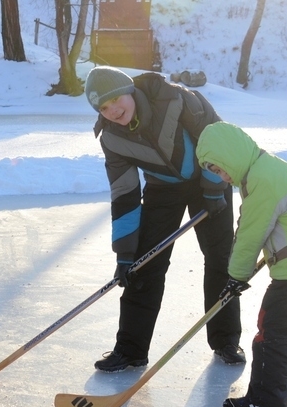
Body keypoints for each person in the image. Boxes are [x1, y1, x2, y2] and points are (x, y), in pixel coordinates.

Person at [84, 65, 243, 372]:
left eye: (116, 99)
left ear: (129, 89)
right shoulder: (112, 139)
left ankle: (225, 340)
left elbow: (218, 138)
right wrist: (125, 254)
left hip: (209, 180)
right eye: (104, 107)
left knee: (221, 258)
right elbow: (124, 193)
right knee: (143, 265)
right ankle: (130, 350)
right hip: (163, 190)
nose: (113, 110)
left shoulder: (177, 99)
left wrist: (213, 187)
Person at [197, 122, 287, 407]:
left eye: (221, 169)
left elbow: (250, 232)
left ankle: (266, 399)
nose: (223, 177)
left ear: (232, 154)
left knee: (272, 331)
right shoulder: (272, 166)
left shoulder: (260, 178)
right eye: (216, 173)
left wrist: (236, 276)